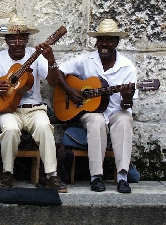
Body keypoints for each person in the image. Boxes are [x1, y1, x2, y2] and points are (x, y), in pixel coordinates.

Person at [0, 17, 67, 193]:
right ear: (6, 40)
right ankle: (7, 173)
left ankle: (52, 175)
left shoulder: (36, 56)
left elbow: (54, 82)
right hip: (8, 110)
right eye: (12, 38)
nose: (17, 43)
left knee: (45, 127)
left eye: (21, 38)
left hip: (34, 109)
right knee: (9, 129)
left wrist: (51, 59)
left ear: (27, 39)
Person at [51, 19, 137, 193]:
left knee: (125, 119)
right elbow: (58, 71)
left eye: (110, 40)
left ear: (117, 42)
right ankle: (96, 177)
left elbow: (126, 104)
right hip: (91, 112)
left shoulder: (127, 67)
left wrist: (127, 98)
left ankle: (122, 176)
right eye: (101, 39)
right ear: (96, 41)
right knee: (96, 121)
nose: (105, 43)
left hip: (116, 111)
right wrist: (69, 91)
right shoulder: (86, 60)